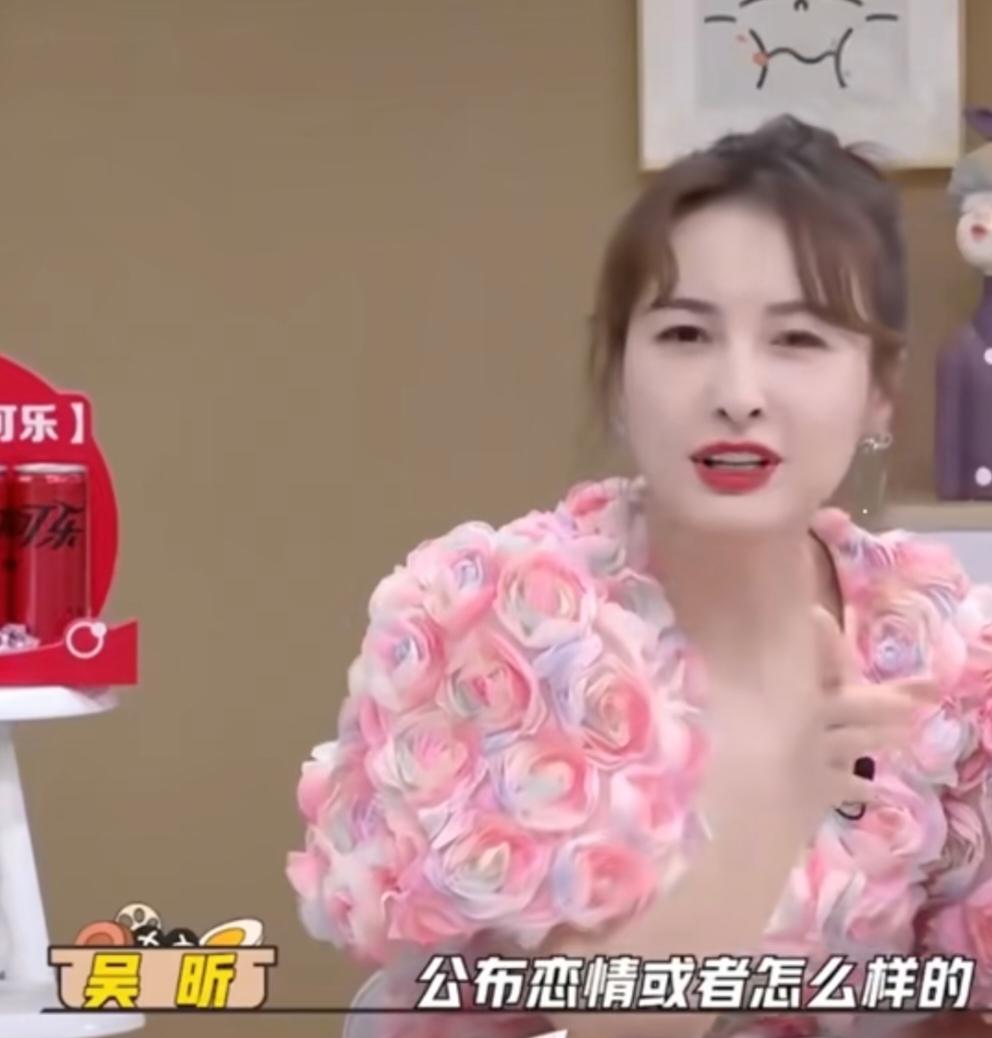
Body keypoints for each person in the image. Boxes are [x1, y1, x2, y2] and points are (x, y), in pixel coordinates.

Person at [286, 115, 992, 1038]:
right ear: (620, 371)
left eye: (798, 340)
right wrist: (782, 806)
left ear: (881, 391)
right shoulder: (498, 621)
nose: (738, 394)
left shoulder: (937, 643)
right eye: (687, 333)